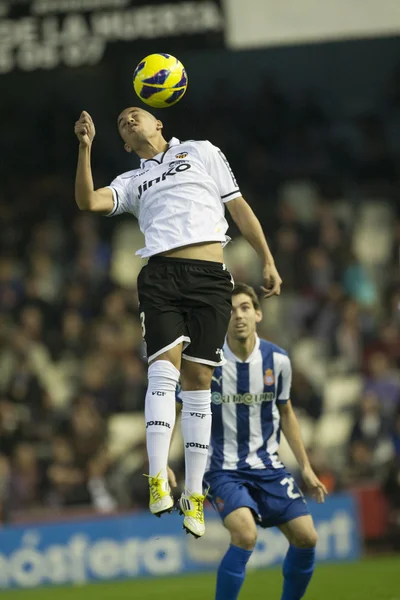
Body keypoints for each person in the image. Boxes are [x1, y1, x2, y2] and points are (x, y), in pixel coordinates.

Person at [73, 108, 282, 538]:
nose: (130, 120)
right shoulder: (132, 181)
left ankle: (193, 494)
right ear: (127, 145)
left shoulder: (202, 152)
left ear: (159, 124)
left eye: (137, 115)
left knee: (199, 382)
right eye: (122, 124)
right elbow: (88, 201)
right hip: (161, 276)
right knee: (162, 373)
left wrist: (267, 258)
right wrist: (85, 148)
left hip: (210, 278)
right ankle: (155, 476)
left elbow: (238, 208)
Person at [177, 283, 327, 598]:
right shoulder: (206, 363)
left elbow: (286, 413)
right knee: (245, 535)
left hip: (269, 466)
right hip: (222, 469)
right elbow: (180, 411)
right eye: (230, 310)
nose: (239, 316)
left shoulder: (279, 360)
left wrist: (306, 467)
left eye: (245, 307)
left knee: (307, 538)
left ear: (257, 313)